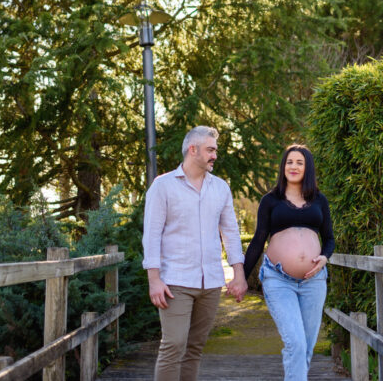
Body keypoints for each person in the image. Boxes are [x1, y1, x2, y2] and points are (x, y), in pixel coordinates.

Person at [142, 126, 248, 381]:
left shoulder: (221, 188)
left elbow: (231, 233)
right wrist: (153, 280)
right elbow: (152, 235)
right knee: (173, 345)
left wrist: (239, 274)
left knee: (195, 349)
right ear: (193, 150)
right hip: (175, 282)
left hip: (211, 282)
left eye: (215, 150)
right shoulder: (163, 186)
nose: (214, 155)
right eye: (210, 150)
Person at [243, 144, 335, 381]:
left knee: (305, 346)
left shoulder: (319, 200)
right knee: (295, 342)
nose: (293, 166)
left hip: (314, 281)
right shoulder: (270, 200)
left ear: (308, 168)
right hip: (278, 279)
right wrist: (241, 277)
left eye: (299, 162)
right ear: (283, 166)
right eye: (289, 162)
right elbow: (257, 241)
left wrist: (325, 257)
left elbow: (330, 239)